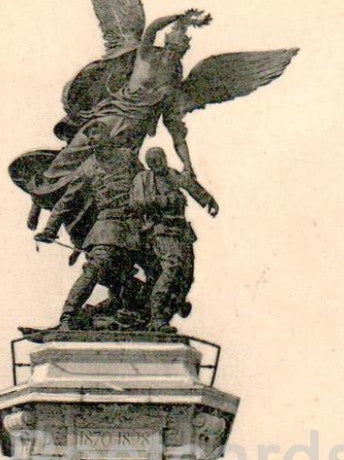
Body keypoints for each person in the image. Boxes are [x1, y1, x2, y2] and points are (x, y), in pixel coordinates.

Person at [35, 124, 144, 329]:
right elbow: (66, 200)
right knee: (95, 269)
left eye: (97, 135)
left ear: (108, 135)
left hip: (135, 227)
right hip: (107, 227)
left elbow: (146, 182)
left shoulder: (128, 157)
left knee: (125, 277)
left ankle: (133, 315)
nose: (93, 140)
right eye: (90, 137)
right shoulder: (87, 168)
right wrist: (50, 229)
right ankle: (68, 317)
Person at [130, 146, 218, 330]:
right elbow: (137, 202)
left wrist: (208, 200)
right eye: (152, 160)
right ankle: (157, 317)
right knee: (172, 268)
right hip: (160, 230)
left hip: (182, 231)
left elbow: (190, 186)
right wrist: (166, 200)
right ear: (148, 164)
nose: (157, 163)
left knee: (186, 276)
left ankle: (172, 308)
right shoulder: (143, 178)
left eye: (159, 158)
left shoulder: (173, 174)